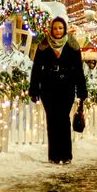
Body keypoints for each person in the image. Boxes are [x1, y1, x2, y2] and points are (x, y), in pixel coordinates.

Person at [29, 17, 87, 164]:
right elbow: (36, 69)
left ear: (65, 29)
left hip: (66, 87)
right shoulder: (43, 45)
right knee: (52, 120)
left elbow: (79, 70)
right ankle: (54, 156)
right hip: (48, 88)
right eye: (55, 28)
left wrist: (81, 91)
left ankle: (66, 155)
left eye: (60, 28)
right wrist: (34, 89)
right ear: (51, 29)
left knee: (64, 119)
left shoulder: (73, 46)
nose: (58, 31)